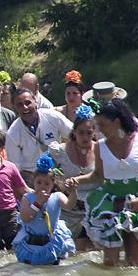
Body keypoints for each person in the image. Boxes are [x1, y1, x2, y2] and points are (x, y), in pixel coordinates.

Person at [70, 99, 138, 267]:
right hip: (109, 205)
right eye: (98, 125)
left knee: (133, 263)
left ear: (117, 122)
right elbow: (98, 176)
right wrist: (77, 180)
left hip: (136, 202)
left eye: (104, 125)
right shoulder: (100, 146)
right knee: (110, 262)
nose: (100, 130)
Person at [47, 104, 97, 252]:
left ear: (94, 132)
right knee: (72, 254)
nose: (85, 137)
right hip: (68, 210)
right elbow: (44, 173)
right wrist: (59, 183)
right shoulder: (59, 151)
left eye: (89, 133)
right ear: (74, 132)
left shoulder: (101, 150)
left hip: (93, 210)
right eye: (81, 133)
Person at [12, 153, 75, 265]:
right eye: (39, 182)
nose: (42, 186)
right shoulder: (27, 197)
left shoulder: (57, 196)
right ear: (33, 182)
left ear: (52, 185)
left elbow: (69, 206)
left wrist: (73, 192)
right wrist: (38, 203)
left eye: (46, 183)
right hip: (31, 244)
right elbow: (26, 218)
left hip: (50, 242)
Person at [5, 88, 73, 177]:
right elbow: (15, 167)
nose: (25, 107)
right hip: (32, 177)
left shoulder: (53, 117)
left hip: (58, 171)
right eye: (20, 105)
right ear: (15, 108)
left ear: (35, 102)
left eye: (28, 103)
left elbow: (75, 134)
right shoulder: (12, 133)